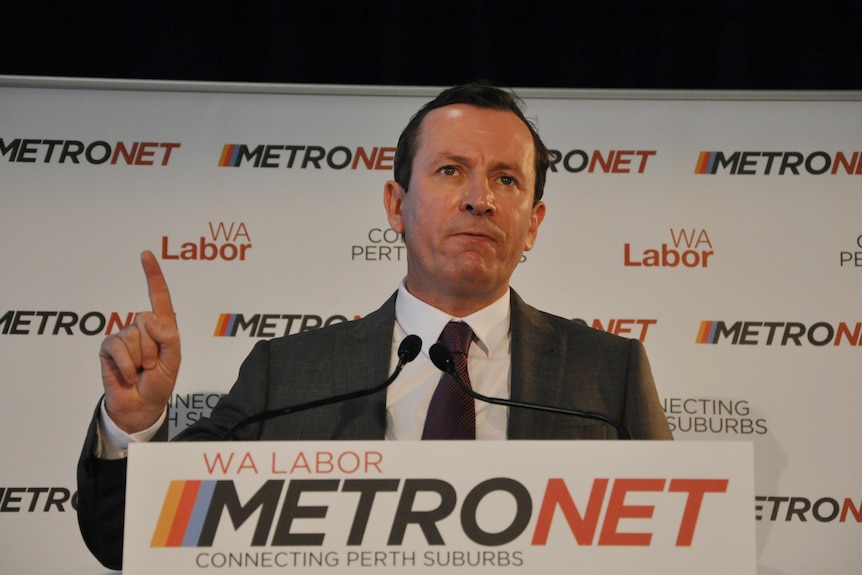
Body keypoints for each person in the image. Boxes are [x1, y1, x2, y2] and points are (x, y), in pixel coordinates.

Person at [77, 81, 672, 569]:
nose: (479, 199)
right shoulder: (287, 373)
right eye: (449, 171)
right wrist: (133, 425)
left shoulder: (607, 373)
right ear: (395, 204)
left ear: (534, 222)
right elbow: (128, 541)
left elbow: (674, 548)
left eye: (506, 180)